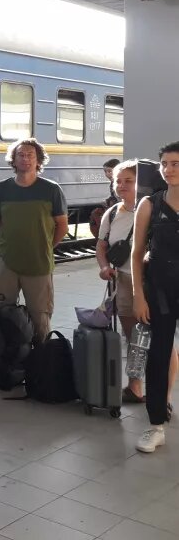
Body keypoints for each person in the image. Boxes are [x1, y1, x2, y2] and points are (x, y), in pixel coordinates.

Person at [98, 159, 178, 407]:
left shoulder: (154, 210)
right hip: (123, 282)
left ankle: (162, 397)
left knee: (162, 340)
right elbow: (101, 245)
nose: (121, 186)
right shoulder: (112, 213)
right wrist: (104, 266)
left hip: (152, 283)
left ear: (140, 184)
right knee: (133, 337)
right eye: (117, 181)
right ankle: (135, 387)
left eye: (128, 181)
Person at [0, 138, 68, 343]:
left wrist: (45, 247)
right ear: (13, 160)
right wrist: (6, 242)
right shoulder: (1, 189)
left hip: (39, 263)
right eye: (21, 155)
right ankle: (5, 361)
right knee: (0, 312)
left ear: (38, 160)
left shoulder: (51, 189)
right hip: (7, 261)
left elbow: (62, 226)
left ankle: (41, 364)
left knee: (40, 317)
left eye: (30, 155)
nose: (25, 159)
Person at [131, 142, 179, 453]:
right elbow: (136, 254)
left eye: (175, 163)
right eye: (165, 163)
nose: (169, 169)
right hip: (160, 292)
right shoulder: (150, 204)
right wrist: (138, 295)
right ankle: (156, 425)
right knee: (158, 357)